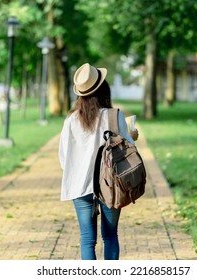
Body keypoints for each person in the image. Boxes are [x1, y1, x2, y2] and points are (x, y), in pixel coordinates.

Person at [58, 63, 138, 260]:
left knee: (87, 240)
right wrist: (133, 135)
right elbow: (127, 149)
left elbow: (64, 157)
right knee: (110, 236)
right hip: (110, 185)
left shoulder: (71, 119)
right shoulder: (114, 115)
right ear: (103, 89)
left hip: (79, 186)